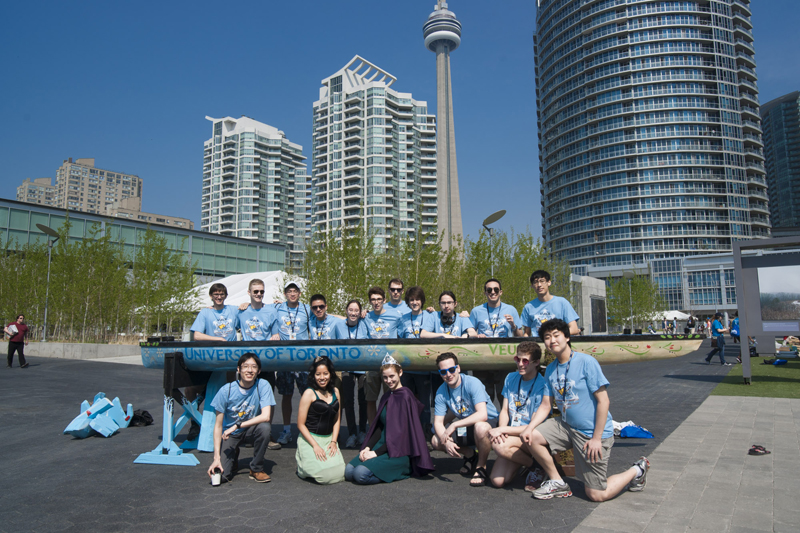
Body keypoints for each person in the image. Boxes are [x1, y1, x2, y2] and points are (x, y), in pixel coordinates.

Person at [521, 319, 650, 501]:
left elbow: (604, 401)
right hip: (566, 426)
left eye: (556, 335)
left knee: (596, 494)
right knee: (532, 436)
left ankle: (637, 470)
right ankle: (557, 482)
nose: (552, 340)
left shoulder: (586, 362)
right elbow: (545, 405)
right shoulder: (550, 369)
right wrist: (529, 427)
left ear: (567, 337)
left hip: (592, 432)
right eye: (547, 337)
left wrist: (596, 438)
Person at [345, 355, 434, 484]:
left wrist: (376, 453)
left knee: (360, 474)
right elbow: (380, 426)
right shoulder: (387, 396)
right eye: (385, 377)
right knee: (349, 472)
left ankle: (402, 470)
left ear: (400, 373)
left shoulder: (406, 396)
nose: (388, 380)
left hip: (399, 451)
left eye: (392, 376)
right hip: (382, 445)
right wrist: (368, 447)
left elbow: (402, 435)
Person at [430, 352, 499, 487]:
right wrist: (446, 440)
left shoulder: (472, 383)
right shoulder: (441, 391)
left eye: (451, 369)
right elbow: (438, 422)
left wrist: (454, 425)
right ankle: (470, 455)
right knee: (436, 441)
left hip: (489, 423)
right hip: (467, 425)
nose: (448, 374)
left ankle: (481, 467)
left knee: (480, 427)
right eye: (443, 372)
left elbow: (482, 415)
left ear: (458, 368)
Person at [488, 341, 550, 490]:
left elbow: (533, 425)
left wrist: (503, 431)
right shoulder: (511, 377)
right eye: (518, 359)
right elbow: (504, 410)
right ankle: (532, 464)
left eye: (525, 361)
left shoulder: (542, 385)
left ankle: (538, 465)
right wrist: (502, 428)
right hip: (513, 435)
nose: (520, 364)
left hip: (530, 437)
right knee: (498, 481)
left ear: (536, 363)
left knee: (499, 446)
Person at [207, 353, 275, 484]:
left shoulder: (263, 385)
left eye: (254, 367)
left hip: (248, 430)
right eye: (245, 366)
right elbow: (218, 425)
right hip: (230, 434)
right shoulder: (226, 390)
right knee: (222, 476)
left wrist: (237, 425)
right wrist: (216, 458)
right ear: (238, 369)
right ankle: (233, 456)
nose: (249, 370)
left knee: (265, 428)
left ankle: (256, 468)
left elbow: (266, 416)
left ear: (259, 371)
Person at [237, 278, 281, 450]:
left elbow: (276, 334)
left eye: (261, 291)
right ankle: (244, 433)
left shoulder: (271, 311)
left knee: (267, 399)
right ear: (249, 293)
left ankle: (266, 433)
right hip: (247, 364)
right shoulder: (241, 311)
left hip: (265, 363)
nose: (259, 294)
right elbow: (223, 315)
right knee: (244, 399)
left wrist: (275, 337)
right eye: (255, 291)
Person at [470, 278, 522, 402]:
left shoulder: (511, 310)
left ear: (501, 292)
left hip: (504, 359)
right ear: (485, 293)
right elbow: (469, 332)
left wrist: (513, 325)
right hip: (483, 360)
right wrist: (476, 336)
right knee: (484, 398)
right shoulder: (476, 311)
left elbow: (520, 335)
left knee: (504, 397)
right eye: (489, 290)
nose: (492, 292)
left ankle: (504, 421)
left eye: (496, 289)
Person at [296, 356, 345, 484]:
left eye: (325, 374)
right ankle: (302, 466)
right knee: (324, 476)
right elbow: (300, 424)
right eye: (318, 374)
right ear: (313, 375)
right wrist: (315, 446)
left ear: (331, 374)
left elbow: (337, 419)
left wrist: (334, 441)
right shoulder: (309, 393)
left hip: (329, 439)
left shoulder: (336, 391)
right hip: (310, 439)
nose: (322, 377)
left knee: (340, 473)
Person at [274, 282, 312, 445]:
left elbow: (325, 315)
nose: (292, 294)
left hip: (303, 360)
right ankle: (286, 430)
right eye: (289, 291)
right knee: (286, 395)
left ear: (300, 293)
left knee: (307, 395)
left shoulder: (306, 309)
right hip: (284, 360)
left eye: (295, 291)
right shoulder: (277, 308)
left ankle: (308, 429)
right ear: (285, 294)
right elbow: (258, 307)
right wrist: (245, 304)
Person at [397, 286, 434, 440]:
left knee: (424, 403)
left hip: (424, 368)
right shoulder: (403, 319)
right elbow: (398, 342)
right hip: (407, 368)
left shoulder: (430, 316)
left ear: (422, 301)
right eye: (411, 300)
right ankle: (407, 433)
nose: (414, 302)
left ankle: (425, 433)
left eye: (417, 299)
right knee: (406, 401)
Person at [362, 287, 403, 425]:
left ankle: (389, 428)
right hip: (372, 363)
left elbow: (408, 327)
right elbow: (346, 317)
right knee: (370, 399)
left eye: (379, 299)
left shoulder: (396, 316)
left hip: (389, 364)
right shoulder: (366, 317)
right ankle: (372, 430)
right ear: (370, 301)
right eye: (373, 300)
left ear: (384, 300)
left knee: (390, 398)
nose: (376, 302)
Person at [341, 300, 369, 448]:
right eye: (350, 310)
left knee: (363, 400)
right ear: (346, 311)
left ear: (360, 312)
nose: (353, 313)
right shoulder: (339, 325)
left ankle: (363, 431)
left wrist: (367, 312)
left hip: (363, 368)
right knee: (348, 401)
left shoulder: (365, 323)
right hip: (347, 368)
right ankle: (352, 433)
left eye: (356, 310)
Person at [520, 270, 580, 338]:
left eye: (542, 281)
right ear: (532, 286)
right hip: (538, 345)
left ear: (549, 282)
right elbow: (527, 333)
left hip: (558, 345)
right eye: (535, 282)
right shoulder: (528, 307)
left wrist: (554, 336)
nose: (539, 285)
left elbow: (574, 329)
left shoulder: (562, 303)